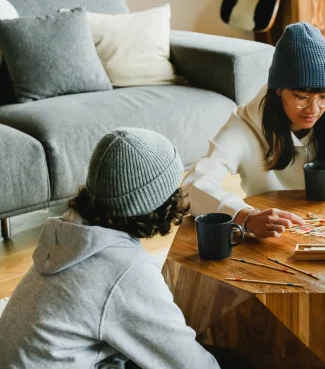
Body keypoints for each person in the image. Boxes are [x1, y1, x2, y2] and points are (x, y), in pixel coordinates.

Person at [0, 128, 219, 369]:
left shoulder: (65, 236)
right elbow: (190, 364)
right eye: (172, 189)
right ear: (155, 203)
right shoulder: (126, 272)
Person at [183, 22, 325, 238]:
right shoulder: (244, 125)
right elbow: (192, 187)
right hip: (269, 237)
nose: (314, 109)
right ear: (278, 89)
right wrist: (245, 216)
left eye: (324, 97)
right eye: (301, 97)